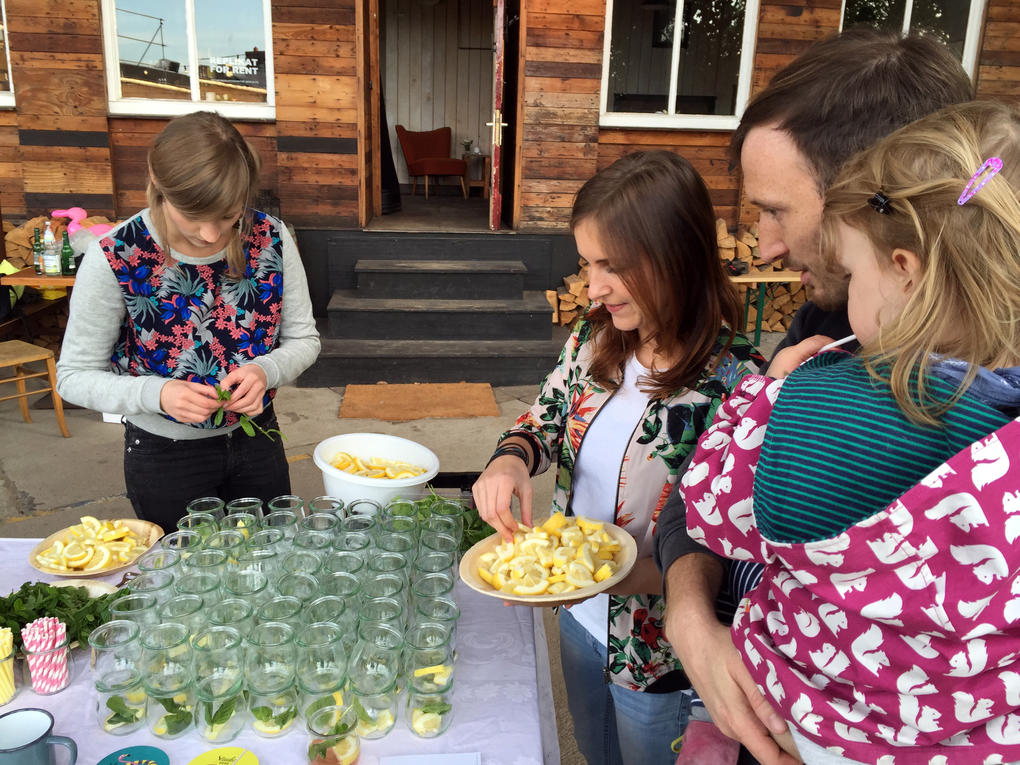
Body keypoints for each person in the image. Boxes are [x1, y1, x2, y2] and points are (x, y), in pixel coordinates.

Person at [654, 29, 975, 765]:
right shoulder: (828, 320)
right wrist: (690, 615)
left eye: (775, 211)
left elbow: (719, 488)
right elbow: (698, 496)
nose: (763, 246)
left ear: (871, 208)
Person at [472, 150, 764, 765]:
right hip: (580, 620)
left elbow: (732, 540)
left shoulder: (737, 382)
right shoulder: (593, 339)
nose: (593, 287)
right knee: (592, 746)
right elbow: (544, 420)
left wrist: (619, 578)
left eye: (613, 266)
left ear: (675, 257)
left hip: (660, 647)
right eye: (587, 264)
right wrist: (509, 460)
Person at [56, 111, 320, 531]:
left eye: (229, 214)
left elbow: (304, 338)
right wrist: (157, 394)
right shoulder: (116, 255)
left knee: (272, 574)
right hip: (164, 454)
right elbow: (72, 376)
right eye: (193, 216)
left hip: (258, 441)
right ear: (158, 184)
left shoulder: (271, 236)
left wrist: (265, 370)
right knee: (187, 584)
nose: (212, 235)